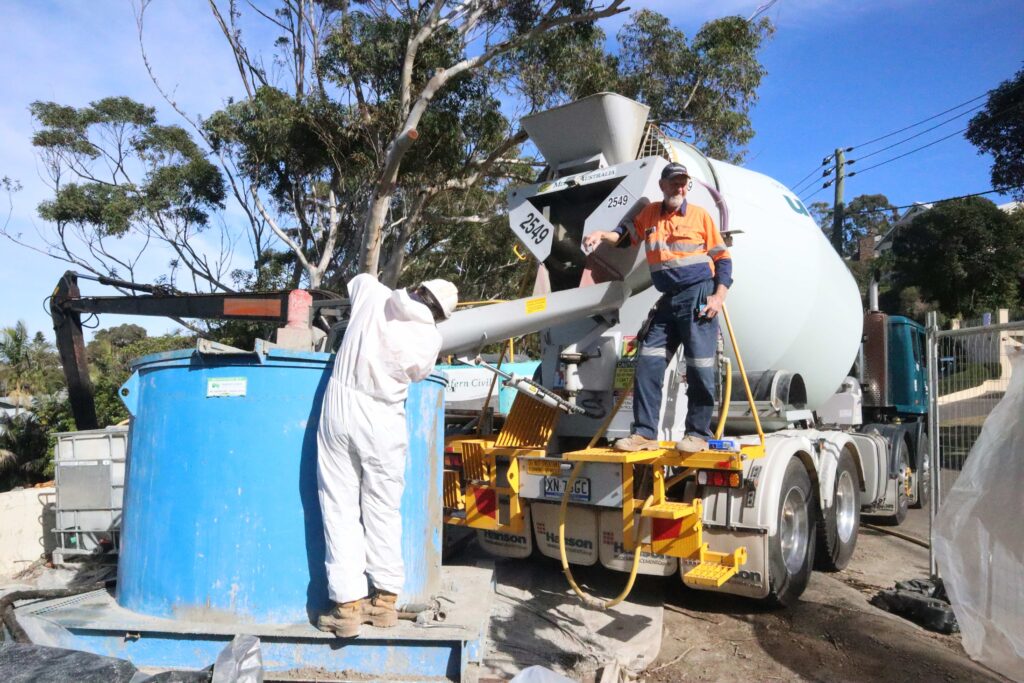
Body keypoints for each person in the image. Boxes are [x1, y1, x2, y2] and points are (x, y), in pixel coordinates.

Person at [316, 274, 458, 638]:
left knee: (339, 505)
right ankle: (384, 602)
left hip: (343, 405)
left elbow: (357, 279)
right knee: (383, 509)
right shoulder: (431, 338)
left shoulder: (373, 293)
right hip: (386, 419)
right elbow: (417, 374)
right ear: (440, 315)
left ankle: (347, 607)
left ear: (417, 287)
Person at [583, 162, 733, 453]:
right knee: (648, 362)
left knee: (700, 367)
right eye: (674, 182)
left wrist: (718, 297)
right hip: (668, 299)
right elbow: (625, 237)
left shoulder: (700, 217)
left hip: (698, 296)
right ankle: (644, 433)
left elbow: (723, 260)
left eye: (683, 183)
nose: (679, 187)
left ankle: (698, 433)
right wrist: (602, 234)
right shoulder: (650, 212)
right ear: (662, 186)